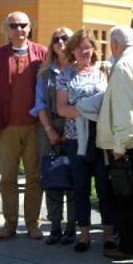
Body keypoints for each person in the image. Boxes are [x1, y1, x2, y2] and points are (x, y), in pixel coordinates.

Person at [0, 12, 48, 239]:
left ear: (30, 28)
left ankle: (32, 223)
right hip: (7, 126)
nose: (19, 29)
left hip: (34, 126)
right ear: (7, 29)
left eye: (23, 25)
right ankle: (9, 222)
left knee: (34, 177)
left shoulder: (41, 53)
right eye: (14, 25)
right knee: (8, 177)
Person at [97, 26, 133, 259]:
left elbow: (126, 114)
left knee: (127, 200)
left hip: (130, 144)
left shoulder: (122, 67)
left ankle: (130, 247)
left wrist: (119, 147)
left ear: (114, 45)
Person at [56, 29, 113, 252]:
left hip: (101, 138)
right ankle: (84, 235)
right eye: (80, 48)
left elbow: (109, 102)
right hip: (75, 139)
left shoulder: (103, 71)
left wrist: (82, 110)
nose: (84, 51)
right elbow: (61, 108)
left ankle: (108, 234)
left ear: (94, 49)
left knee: (104, 186)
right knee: (80, 188)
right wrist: (87, 110)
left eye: (88, 47)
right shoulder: (65, 74)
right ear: (72, 50)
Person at [31, 27, 76, 245]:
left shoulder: (79, 70)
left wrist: (68, 131)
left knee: (74, 178)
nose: (60, 42)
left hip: (74, 130)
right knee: (52, 177)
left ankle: (72, 227)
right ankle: (55, 226)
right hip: (48, 128)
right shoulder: (44, 72)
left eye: (65, 38)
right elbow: (39, 103)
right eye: (56, 39)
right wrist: (49, 130)